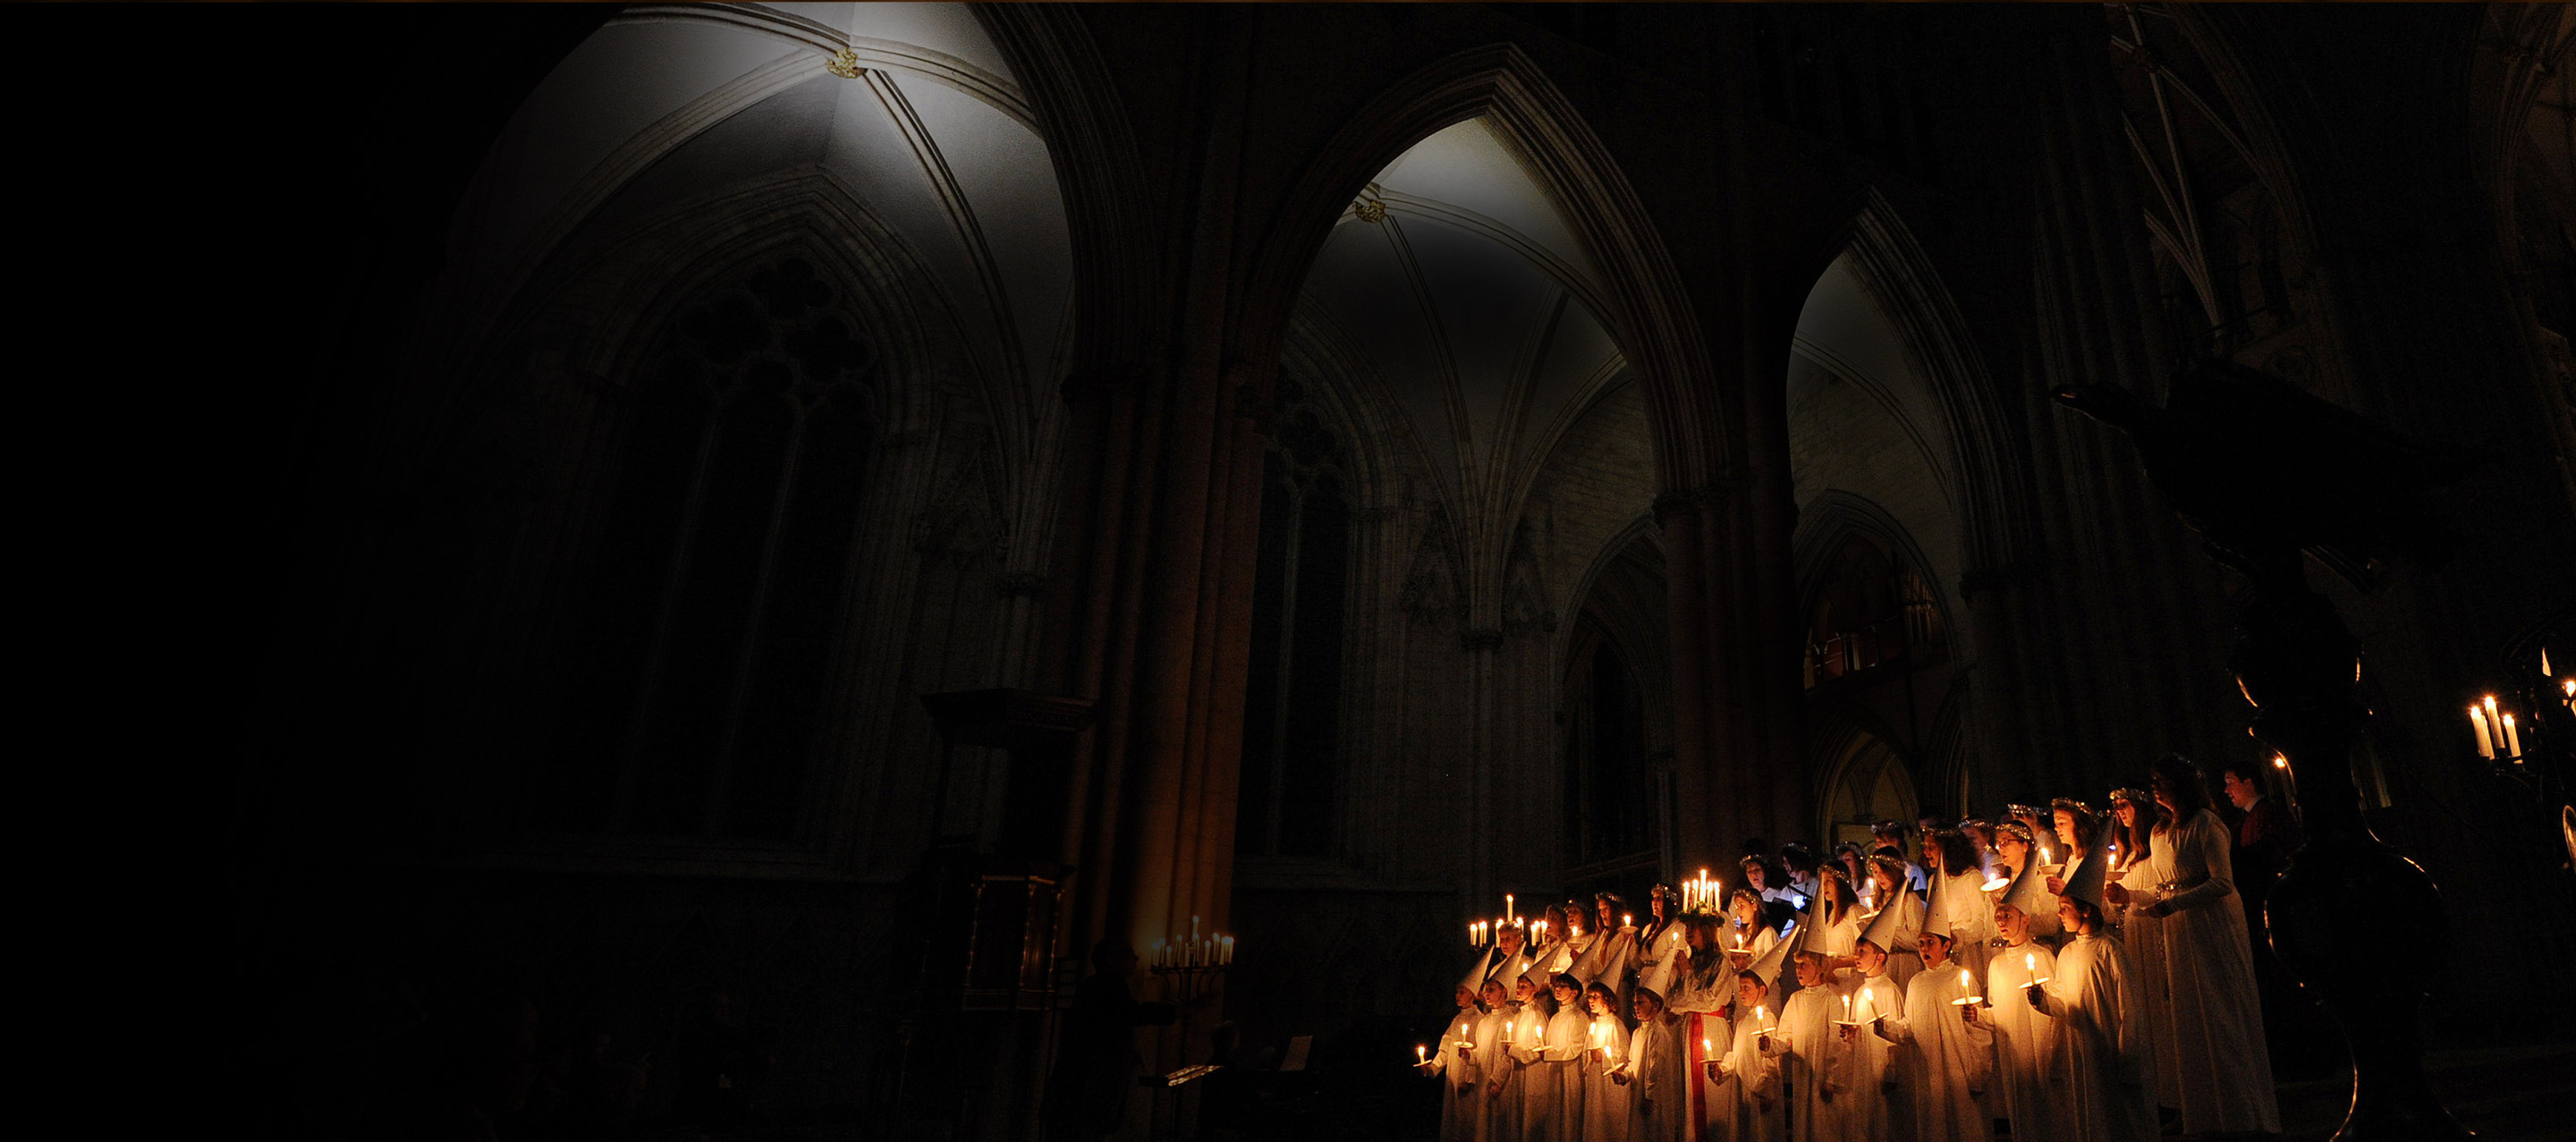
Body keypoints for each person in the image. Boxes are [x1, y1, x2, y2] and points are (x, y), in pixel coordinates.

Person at [2115, 756, 2281, 1136]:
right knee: (2190, 1019)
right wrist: (2131, 896)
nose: (2154, 788)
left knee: (2220, 1014)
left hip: (2210, 926)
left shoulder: (2207, 824)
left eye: (2161, 781)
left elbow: (2222, 882)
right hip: (2179, 931)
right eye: (2152, 781)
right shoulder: (2159, 832)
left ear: (2180, 785)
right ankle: (2206, 1115)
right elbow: (2164, 885)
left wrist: (2170, 905)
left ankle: (2241, 1115)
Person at [2025, 826, 2157, 1142]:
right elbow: (2063, 1002)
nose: (2059, 916)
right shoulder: (2067, 953)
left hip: (2111, 1050)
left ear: (2086, 910)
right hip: (2082, 1051)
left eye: (2065, 909)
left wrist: (2128, 1054)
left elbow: (2129, 1006)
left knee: (2121, 1118)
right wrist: (2041, 1000)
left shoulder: (2111, 949)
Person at [1970, 858, 2070, 1142]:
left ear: (2025, 918)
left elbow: (2056, 1008)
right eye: (1998, 916)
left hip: (2041, 1052)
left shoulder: (2041, 957)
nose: (2001, 922)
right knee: (2020, 1113)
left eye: (2008, 916)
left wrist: (2054, 1055)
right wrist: (1977, 1015)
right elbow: (1998, 1014)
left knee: (2049, 1113)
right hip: (2013, 1053)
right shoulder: (1997, 965)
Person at [1041, 940, 1180, 1142]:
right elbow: (1132, 1013)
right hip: (1087, 1091)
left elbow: (1108, 1027)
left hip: (1077, 1091)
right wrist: (1178, 1010)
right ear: (1112, 959)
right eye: (1130, 953)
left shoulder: (1097, 984)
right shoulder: (1109, 983)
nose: (1136, 958)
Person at [1875, 920, 1994, 1142]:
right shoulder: (1916, 983)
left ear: (1946, 945)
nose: (1924, 949)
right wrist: (1885, 1028)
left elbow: (1978, 1030)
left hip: (1958, 1068)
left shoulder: (1959, 977)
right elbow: (1909, 1027)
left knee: (1965, 1125)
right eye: (1921, 943)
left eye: (1930, 943)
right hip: (1928, 1070)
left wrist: (1977, 1074)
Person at [1826, 898, 1911, 1142]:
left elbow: (1897, 1035)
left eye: (1863, 952)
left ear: (1881, 957)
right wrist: (1851, 1035)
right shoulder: (1860, 991)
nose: (1857, 956)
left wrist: (1891, 1072)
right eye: (1856, 951)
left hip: (1880, 1072)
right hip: (1862, 1068)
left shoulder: (1889, 990)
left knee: (1883, 1124)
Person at [1759, 927, 1844, 1142]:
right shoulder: (1795, 999)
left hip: (1821, 1076)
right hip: (1802, 1074)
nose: (1798, 970)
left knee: (1823, 1126)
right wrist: (1769, 1046)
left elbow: (1837, 1042)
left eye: (1804, 965)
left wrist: (1830, 1078)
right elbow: (1785, 1038)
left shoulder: (1830, 1000)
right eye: (1797, 965)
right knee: (1803, 1126)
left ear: (1820, 967)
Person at [1701, 969, 1785, 1142]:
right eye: (1740, 988)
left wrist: (1768, 1091)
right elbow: (1736, 1054)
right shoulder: (1743, 1022)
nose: (1741, 993)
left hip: (1760, 1092)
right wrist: (1721, 1070)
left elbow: (1771, 1059)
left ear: (1761, 990)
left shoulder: (1767, 1020)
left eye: (1746, 988)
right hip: (1744, 1092)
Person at [1926, 828, 1996, 984]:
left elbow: (1983, 922)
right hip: (1941, 956)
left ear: (1947, 850)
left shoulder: (1971, 878)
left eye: (1931, 848)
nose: (1926, 852)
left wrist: (1958, 936)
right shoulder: (1933, 881)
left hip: (1967, 956)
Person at [1421, 983, 1488, 1142]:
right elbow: (1445, 1047)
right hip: (1454, 1072)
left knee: (1467, 1118)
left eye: (1462, 992)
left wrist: (1468, 1078)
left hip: (1467, 1079)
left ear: (1472, 994)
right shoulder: (1457, 1019)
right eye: (1457, 992)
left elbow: (1478, 1052)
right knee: (1454, 1118)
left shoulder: (1479, 1019)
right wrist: (1432, 1068)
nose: (1457, 996)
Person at [1616, 986, 1683, 1142]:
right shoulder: (1638, 1032)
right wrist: (1624, 1076)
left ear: (1655, 1006)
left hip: (1654, 1097)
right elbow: (1633, 1062)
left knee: (1654, 1131)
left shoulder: (1659, 1033)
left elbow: (1655, 1067)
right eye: (1634, 1003)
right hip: (1639, 1092)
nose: (1636, 1007)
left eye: (1640, 1003)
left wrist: (1649, 1097)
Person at [1507, 975, 1564, 1142]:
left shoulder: (1537, 1015)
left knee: (1530, 1120)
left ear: (1535, 989)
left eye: (1524, 986)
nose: (1518, 990)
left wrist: (1512, 1050)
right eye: (1518, 986)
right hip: (1519, 1072)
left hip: (1533, 1073)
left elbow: (1537, 1049)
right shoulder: (1519, 1014)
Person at [1580, 980, 1633, 1142]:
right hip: (1595, 1081)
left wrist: (1603, 1058)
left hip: (1610, 1084)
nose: (1590, 1000)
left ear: (1608, 1000)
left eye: (1595, 996)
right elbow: (1585, 1052)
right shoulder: (1593, 1026)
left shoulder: (1616, 1025)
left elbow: (1624, 1055)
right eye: (1589, 997)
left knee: (1608, 1126)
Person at [1863, 855, 1926, 986]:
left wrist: (1889, 931)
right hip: (1886, 963)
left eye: (1883, 871)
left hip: (1906, 963)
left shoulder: (1909, 899)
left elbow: (1917, 939)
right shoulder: (1879, 902)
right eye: (1875, 872)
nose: (1879, 877)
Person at [1471, 978, 1521, 1142]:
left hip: (1500, 1084)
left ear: (1504, 991)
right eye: (1486, 990)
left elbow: (1507, 1054)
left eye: (1491, 990)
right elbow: (1479, 1052)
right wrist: (1467, 1056)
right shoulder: (1484, 1022)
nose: (1487, 994)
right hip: (1483, 1079)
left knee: (1499, 1127)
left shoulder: (1510, 1020)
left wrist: (1498, 1080)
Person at [1636, 885, 1690, 1004]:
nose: (1655, 903)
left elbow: (1680, 961)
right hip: (1646, 981)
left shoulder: (1677, 927)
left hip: (1665, 982)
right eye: (1653, 899)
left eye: (1659, 899)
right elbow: (1638, 961)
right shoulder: (1648, 930)